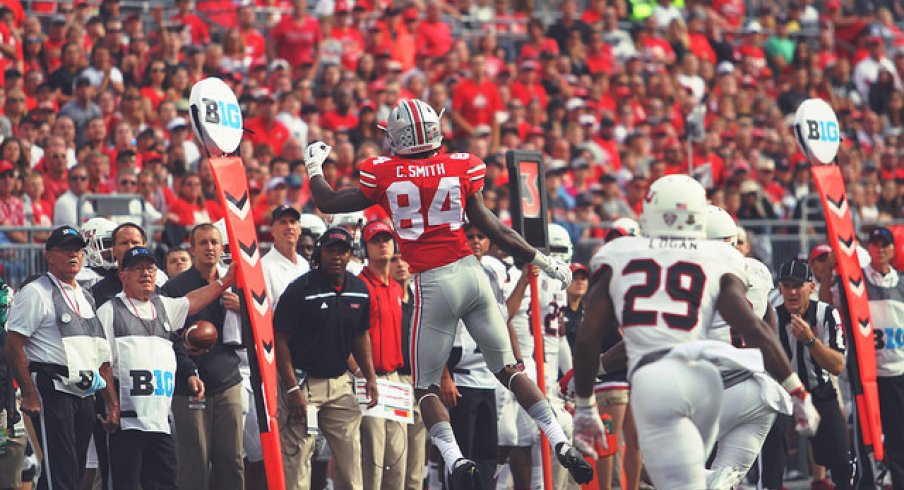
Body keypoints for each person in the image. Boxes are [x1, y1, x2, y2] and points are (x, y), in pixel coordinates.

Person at [306, 98, 592, 487]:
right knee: (510, 370)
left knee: (425, 387)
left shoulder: (385, 173)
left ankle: (456, 459)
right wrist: (543, 261)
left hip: (432, 282)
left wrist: (313, 166)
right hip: (471, 274)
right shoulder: (461, 167)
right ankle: (558, 438)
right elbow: (496, 230)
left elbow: (327, 201)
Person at [571, 174, 820, 490]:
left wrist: (584, 401)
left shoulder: (621, 255)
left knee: (667, 474)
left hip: (679, 385)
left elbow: (590, 337)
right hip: (755, 390)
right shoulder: (739, 265)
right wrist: (796, 389)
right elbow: (758, 330)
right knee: (716, 481)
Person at [97, 246, 234, 490]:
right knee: (124, 484)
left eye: (150, 268)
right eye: (137, 268)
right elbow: (102, 363)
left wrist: (226, 281)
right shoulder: (109, 311)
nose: (145, 274)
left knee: (165, 483)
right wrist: (112, 405)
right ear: (123, 275)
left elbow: (193, 301)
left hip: (160, 419)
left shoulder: (163, 306)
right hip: (128, 420)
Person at [5, 226, 119, 490]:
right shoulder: (36, 291)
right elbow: (13, 344)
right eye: (66, 249)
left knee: (73, 466)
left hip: (84, 389)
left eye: (77, 250)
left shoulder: (87, 296)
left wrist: (111, 402)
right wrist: (30, 393)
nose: (73, 255)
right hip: (52, 385)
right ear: (49, 256)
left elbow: (101, 355)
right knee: (62, 466)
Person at [273, 227, 378, 490]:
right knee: (297, 461)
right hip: (303, 381)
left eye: (342, 251)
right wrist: (291, 387)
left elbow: (361, 335)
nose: (337, 256)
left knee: (352, 461)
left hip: (341, 383)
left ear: (350, 254)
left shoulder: (359, 289)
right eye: (331, 250)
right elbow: (280, 340)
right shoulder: (300, 289)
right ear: (321, 252)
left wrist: (370, 376)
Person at [703, 205, 793, 490]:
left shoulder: (696, 279)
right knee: (724, 479)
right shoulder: (757, 271)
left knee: (666, 464)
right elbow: (768, 324)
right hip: (759, 391)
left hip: (717, 390)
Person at [161, 223, 245, 490]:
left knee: (232, 460)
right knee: (194, 461)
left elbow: (263, 330)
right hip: (189, 384)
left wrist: (244, 309)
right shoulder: (175, 288)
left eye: (214, 242)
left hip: (228, 379)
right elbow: (166, 336)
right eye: (203, 243)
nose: (209, 247)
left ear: (222, 248)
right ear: (192, 249)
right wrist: (186, 364)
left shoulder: (238, 285)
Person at [771, 259, 850, 490]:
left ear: (811, 287)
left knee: (842, 464)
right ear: (780, 288)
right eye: (786, 285)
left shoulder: (826, 314)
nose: (792, 292)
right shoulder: (772, 318)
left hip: (819, 390)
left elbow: (837, 365)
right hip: (783, 395)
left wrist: (810, 340)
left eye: (798, 285)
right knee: (772, 462)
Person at [255, 205, 309, 488]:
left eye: (294, 222)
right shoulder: (264, 267)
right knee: (290, 441)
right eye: (283, 222)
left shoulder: (305, 265)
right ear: (272, 229)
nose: (289, 227)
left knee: (307, 442)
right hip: (278, 361)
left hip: (308, 360)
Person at [355, 220, 407, 490]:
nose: (383, 244)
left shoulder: (398, 288)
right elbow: (347, 336)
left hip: (396, 379)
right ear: (365, 247)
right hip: (369, 378)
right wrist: (359, 373)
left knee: (397, 458)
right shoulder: (359, 285)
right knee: (372, 460)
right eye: (376, 240)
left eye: (386, 238)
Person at [855, 226, 904, 489]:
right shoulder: (857, 282)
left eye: (884, 244)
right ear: (869, 248)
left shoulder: (902, 281)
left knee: (898, 438)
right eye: (875, 244)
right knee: (867, 437)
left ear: (893, 249)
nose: (880, 249)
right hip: (868, 375)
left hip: (897, 371)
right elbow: (832, 301)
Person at [390, 251, 427, 490]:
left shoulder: (420, 299)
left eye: (404, 258)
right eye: (394, 259)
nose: (401, 264)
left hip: (419, 380)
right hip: (392, 378)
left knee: (416, 458)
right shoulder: (383, 295)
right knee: (395, 456)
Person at [92, 223, 168, 307]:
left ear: (144, 247)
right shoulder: (98, 293)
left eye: (135, 242)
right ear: (113, 250)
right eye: (124, 243)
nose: (130, 247)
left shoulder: (159, 293)